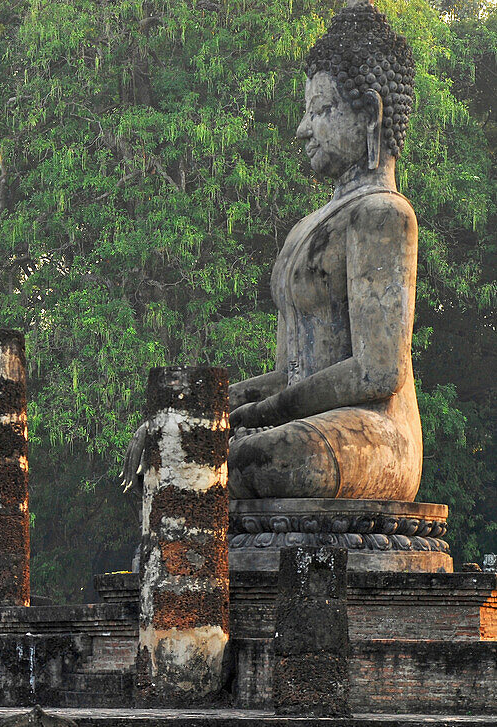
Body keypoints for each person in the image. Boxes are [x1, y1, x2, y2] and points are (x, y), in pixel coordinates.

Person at [125, 0, 422, 502]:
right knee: (170, 442)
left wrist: (262, 416)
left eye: (321, 111)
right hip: (303, 420)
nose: (303, 129)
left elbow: (378, 372)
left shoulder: (384, 215)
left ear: (370, 114)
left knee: (266, 457)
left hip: (373, 435)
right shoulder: (305, 229)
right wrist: (213, 408)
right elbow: (291, 372)